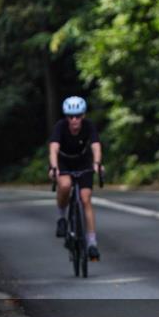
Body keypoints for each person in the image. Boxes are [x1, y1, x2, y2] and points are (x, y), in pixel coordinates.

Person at [48, 96, 104, 261]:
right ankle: (61, 217)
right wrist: (54, 167)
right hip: (63, 161)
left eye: (78, 116)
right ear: (66, 117)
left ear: (83, 116)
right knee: (65, 185)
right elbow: (53, 149)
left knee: (85, 198)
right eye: (70, 116)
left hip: (83, 161)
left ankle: (92, 242)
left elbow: (96, 146)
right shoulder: (60, 127)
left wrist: (97, 163)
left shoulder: (89, 126)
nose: (74, 120)